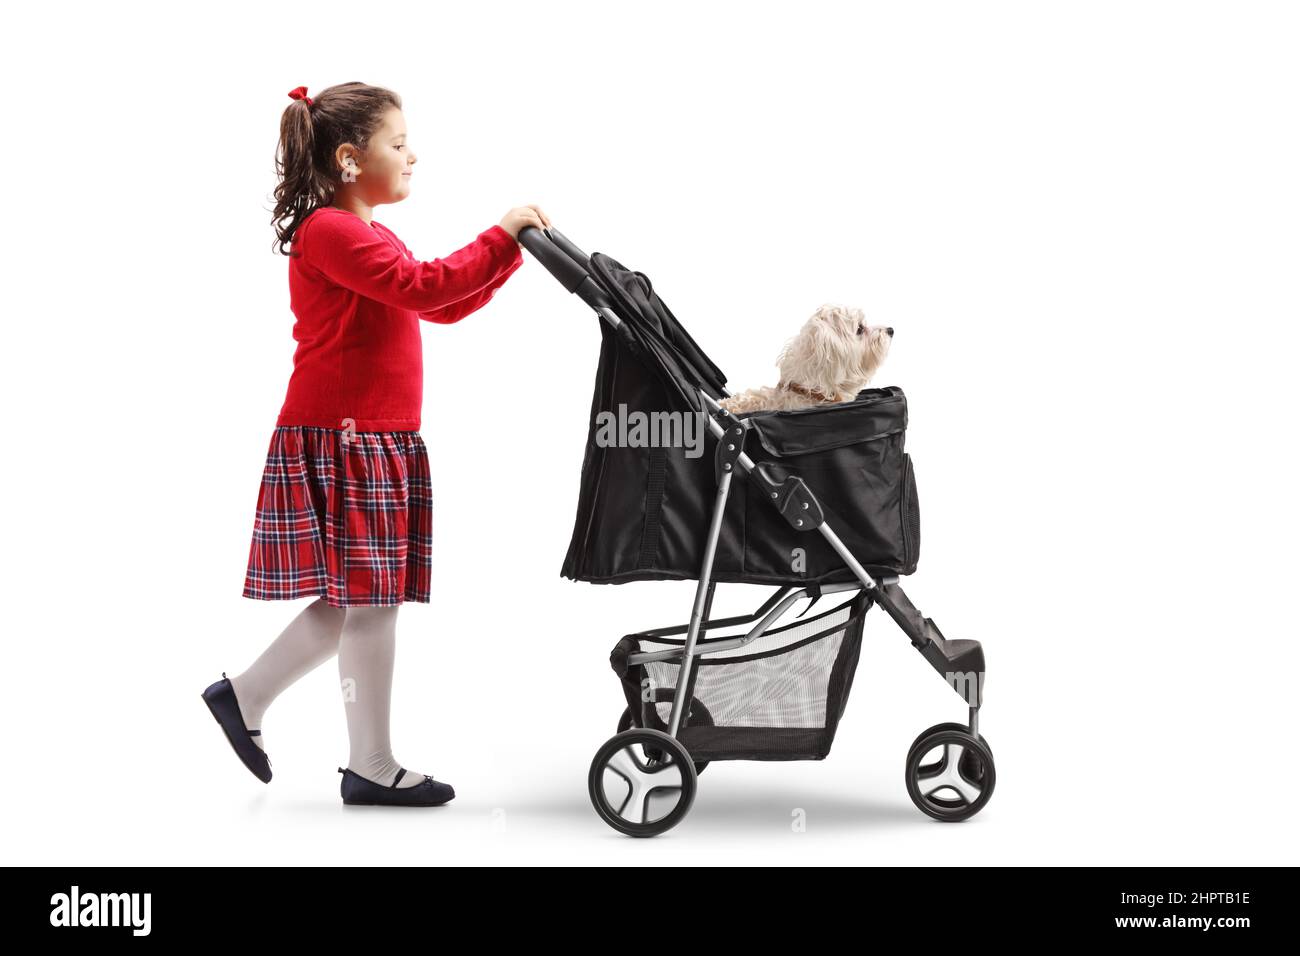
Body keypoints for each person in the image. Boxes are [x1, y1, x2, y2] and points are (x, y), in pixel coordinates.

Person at [201, 81, 550, 807]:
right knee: (369, 600)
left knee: (357, 597)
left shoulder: (363, 231)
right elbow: (424, 288)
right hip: (347, 436)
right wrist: (501, 234)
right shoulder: (332, 231)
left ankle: (248, 696)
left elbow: (440, 304)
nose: (413, 154)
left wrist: (509, 253)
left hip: (370, 435)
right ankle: (370, 761)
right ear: (351, 159)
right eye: (399, 143)